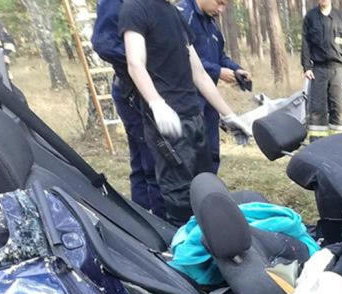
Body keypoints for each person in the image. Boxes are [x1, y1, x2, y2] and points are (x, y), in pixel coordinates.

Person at [120, 0, 246, 224]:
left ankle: (213, 242)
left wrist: (228, 115)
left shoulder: (175, 14)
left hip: (194, 116)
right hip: (167, 122)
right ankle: (185, 251)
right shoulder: (135, 7)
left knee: (206, 187)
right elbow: (135, 63)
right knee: (180, 199)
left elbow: (198, 73)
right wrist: (156, 103)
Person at [92, 0, 165, 217]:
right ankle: (154, 222)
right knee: (152, 162)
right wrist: (143, 59)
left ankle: (144, 218)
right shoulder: (116, 3)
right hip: (132, 91)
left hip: (150, 88)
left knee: (147, 161)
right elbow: (104, 44)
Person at [177, 0, 250, 173]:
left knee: (211, 153)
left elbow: (220, 56)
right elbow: (182, 57)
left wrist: (235, 69)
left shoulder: (212, 23)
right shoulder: (182, 15)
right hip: (187, 99)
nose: (221, 9)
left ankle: (210, 193)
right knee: (191, 156)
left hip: (210, 99)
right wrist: (217, 71)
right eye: (219, 3)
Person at [301, 0, 342, 140]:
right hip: (318, 70)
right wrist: (306, 67)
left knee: (339, 110)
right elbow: (305, 44)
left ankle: (337, 144)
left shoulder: (340, 17)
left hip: (338, 70)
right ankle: (316, 145)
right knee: (317, 110)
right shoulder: (310, 17)